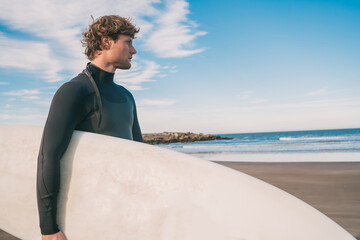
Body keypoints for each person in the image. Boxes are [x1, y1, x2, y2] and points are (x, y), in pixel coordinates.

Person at [36, 15, 143, 240]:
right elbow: (49, 157)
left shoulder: (127, 97)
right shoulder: (74, 91)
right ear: (106, 42)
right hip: (87, 215)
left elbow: (141, 155)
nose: (133, 50)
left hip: (126, 212)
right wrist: (49, 229)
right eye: (128, 42)